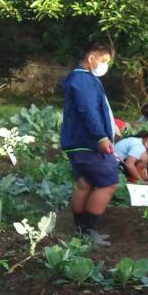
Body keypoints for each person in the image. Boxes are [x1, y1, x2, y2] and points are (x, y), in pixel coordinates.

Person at [60, 40, 118, 247]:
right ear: (91, 58)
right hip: (88, 143)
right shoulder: (83, 80)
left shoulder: (78, 79)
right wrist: (101, 136)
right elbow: (88, 110)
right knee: (109, 183)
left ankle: (81, 230)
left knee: (84, 184)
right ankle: (90, 230)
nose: (105, 66)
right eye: (103, 61)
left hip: (77, 143)